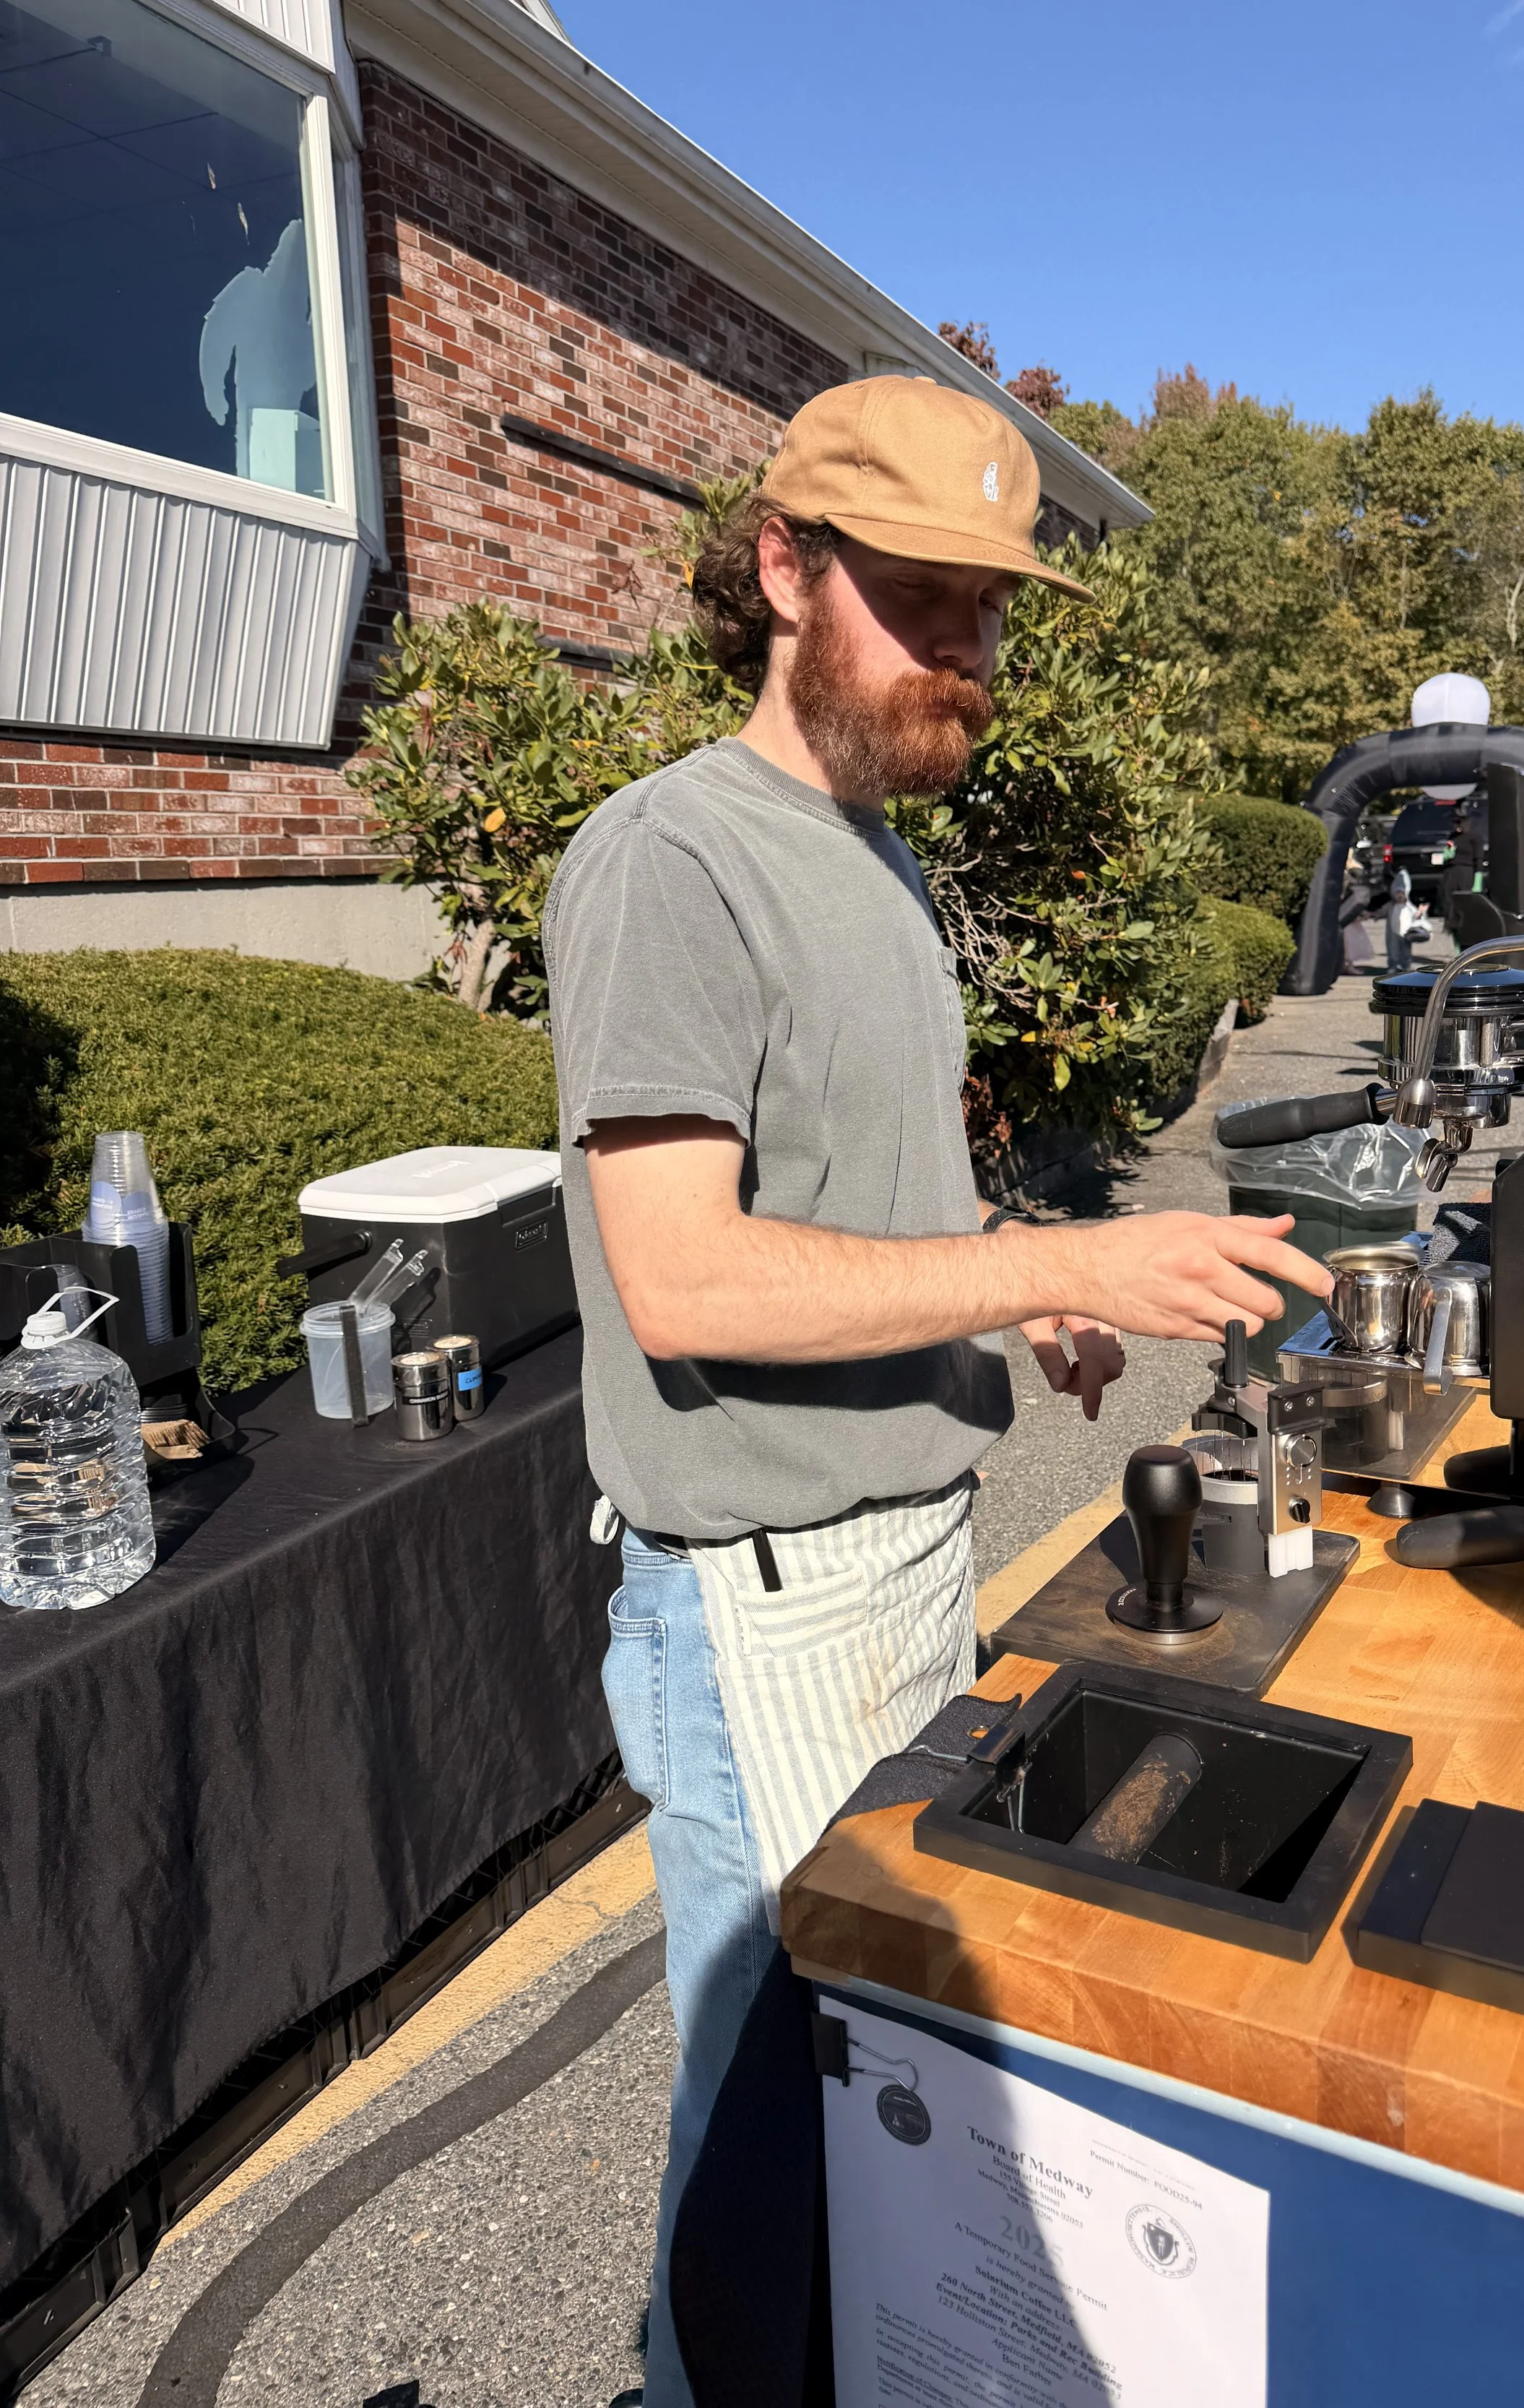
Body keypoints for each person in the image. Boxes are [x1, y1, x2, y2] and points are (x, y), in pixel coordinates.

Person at [542, 376, 1334, 2408]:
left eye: (987, 612)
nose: (966, 656)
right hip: (760, 1589)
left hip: (902, 1550)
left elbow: (858, 1197)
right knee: (762, 2106)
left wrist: (1006, 1298)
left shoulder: (875, 863)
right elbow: (680, 1270)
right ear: (783, 570)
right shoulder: (669, 860)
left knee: (863, 2070)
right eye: (920, 602)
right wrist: (1064, 1252)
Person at [1385, 866, 1428, 970]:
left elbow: (1417, 915)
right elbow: (1382, 911)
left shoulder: (1409, 907)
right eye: (1397, 893)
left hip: (1406, 932)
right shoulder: (1391, 906)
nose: (1399, 896)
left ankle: (1406, 965)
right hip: (1393, 933)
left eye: (1402, 893)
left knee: (1406, 949)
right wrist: (1373, 915)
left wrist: (1420, 913)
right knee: (1393, 947)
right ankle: (1393, 965)